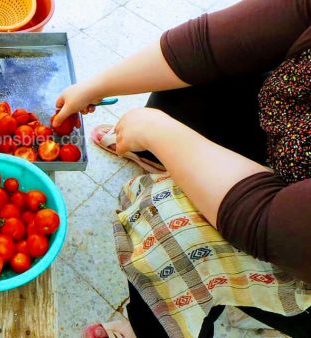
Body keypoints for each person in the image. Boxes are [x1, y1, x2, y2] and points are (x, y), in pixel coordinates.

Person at [54, 0, 311, 337]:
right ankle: (161, 160)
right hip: (293, 139)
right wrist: (94, 87)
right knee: (196, 78)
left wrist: (157, 131)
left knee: (169, 226)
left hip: (295, 239)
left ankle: (150, 330)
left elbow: (272, 225)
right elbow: (203, 46)